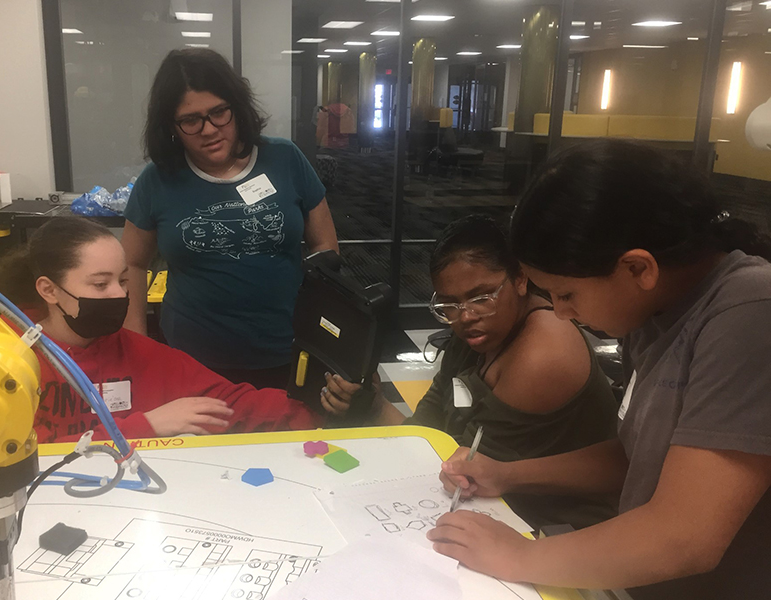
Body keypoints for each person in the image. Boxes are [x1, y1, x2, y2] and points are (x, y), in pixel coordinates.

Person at [431, 139, 771, 599]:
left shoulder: (749, 312)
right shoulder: (653, 312)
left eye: (567, 295)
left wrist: (518, 556)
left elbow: (686, 537)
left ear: (637, 268)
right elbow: (638, 457)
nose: (563, 314)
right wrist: (509, 473)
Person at [322, 216, 619, 530]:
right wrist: (374, 404)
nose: (465, 316)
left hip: (558, 526)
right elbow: (428, 432)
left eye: (482, 297)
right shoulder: (479, 333)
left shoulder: (542, 355)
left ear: (520, 279)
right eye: (449, 304)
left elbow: (465, 474)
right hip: (491, 499)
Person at [0, 217, 319, 444]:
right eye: (101, 284)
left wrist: (324, 405)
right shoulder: (1, 360)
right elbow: (10, 456)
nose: (119, 295)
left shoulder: (137, 353)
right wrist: (147, 427)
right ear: (49, 290)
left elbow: (232, 405)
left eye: (123, 281)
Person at [121, 48, 339, 390]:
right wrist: (137, 346)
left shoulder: (284, 159)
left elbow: (325, 247)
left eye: (219, 112)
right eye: (191, 120)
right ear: (172, 126)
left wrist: (326, 326)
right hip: (192, 359)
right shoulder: (158, 180)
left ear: (237, 107)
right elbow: (132, 264)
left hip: (288, 347)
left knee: (289, 440)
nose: (208, 130)